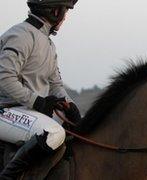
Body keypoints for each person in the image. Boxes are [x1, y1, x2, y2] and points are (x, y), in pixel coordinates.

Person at [0, 0, 81, 179]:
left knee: (74, 132)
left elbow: (56, 85)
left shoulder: (49, 44)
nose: (66, 17)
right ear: (54, 11)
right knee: (53, 133)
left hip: (27, 111)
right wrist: (38, 102)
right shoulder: (21, 35)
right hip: (6, 111)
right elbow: (5, 79)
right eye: (65, 11)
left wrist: (71, 106)